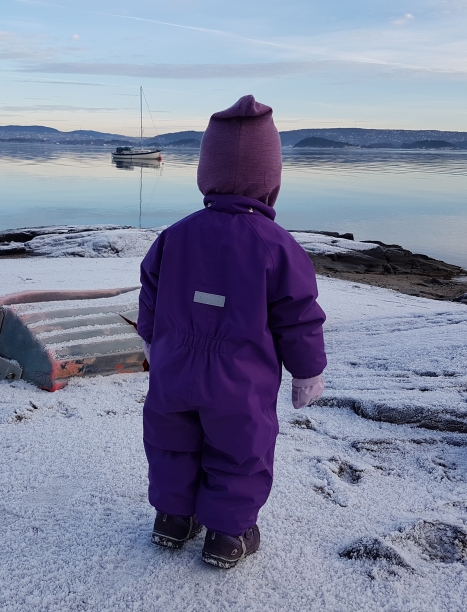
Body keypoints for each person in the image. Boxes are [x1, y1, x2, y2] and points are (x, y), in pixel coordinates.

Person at [137, 95, 326, 569]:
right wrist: (307, 372)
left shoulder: (176, 235)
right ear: (270, 182)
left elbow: (151, 294)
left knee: (171, 440)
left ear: (208, 173)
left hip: (174, 370)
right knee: (240, 449)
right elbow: (298, 314)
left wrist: (149, 339)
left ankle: (172, 518)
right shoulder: (276, 246)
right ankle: (227, 533)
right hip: (240, 379)